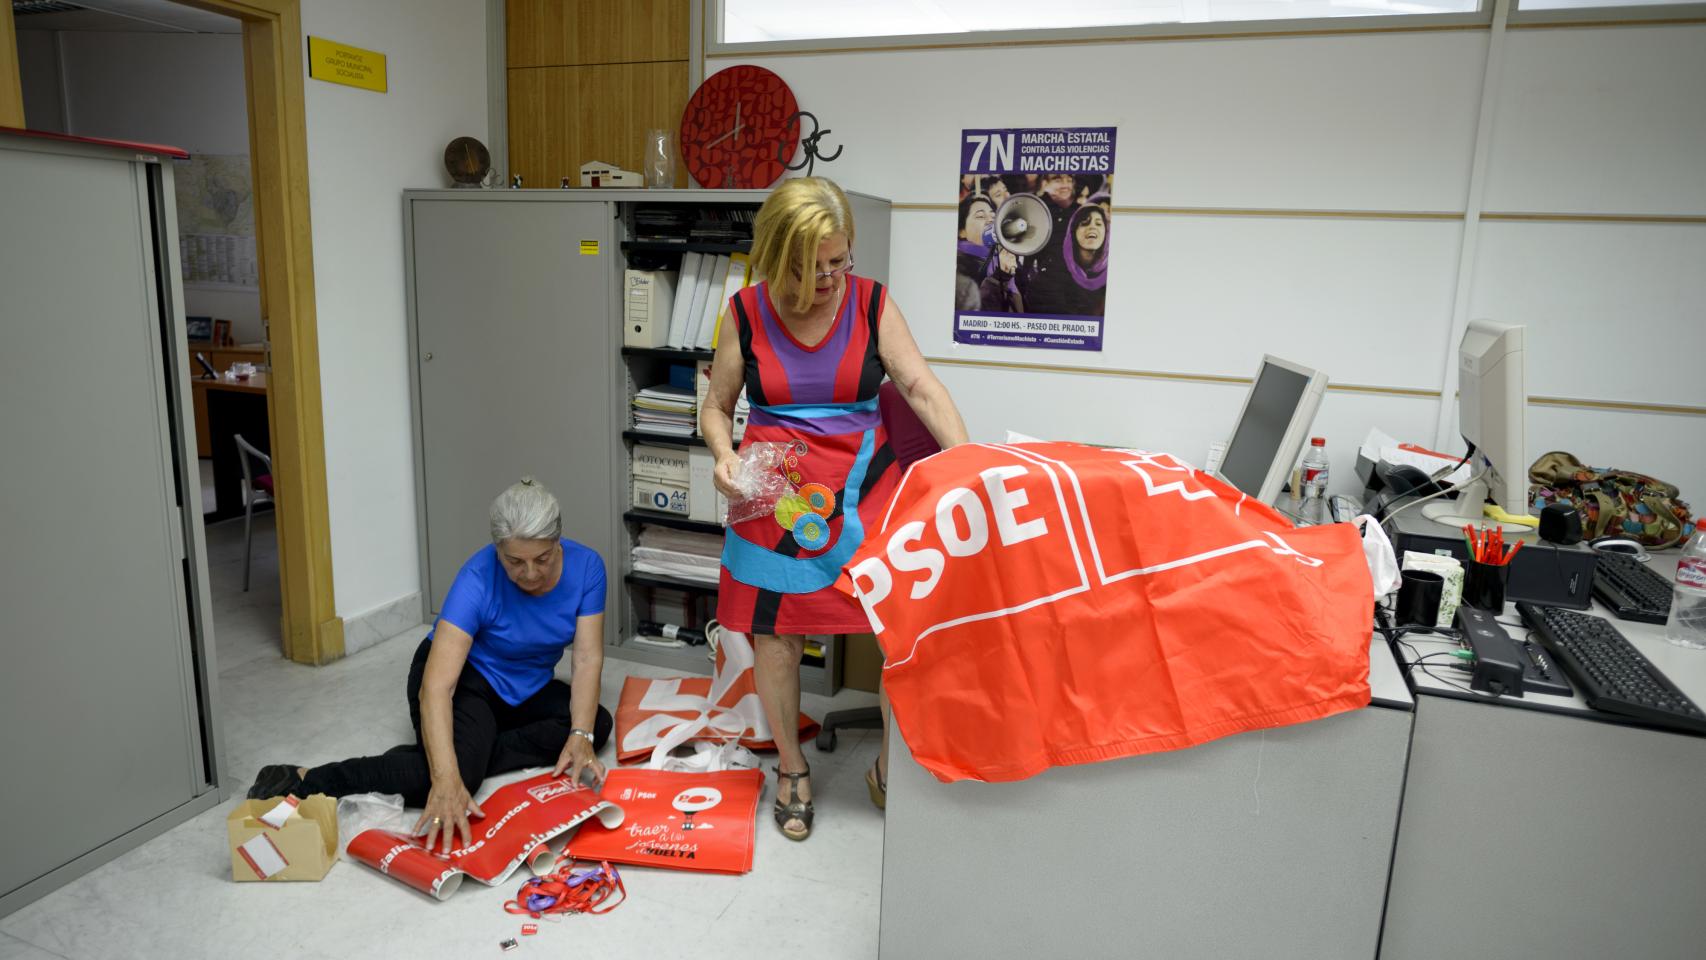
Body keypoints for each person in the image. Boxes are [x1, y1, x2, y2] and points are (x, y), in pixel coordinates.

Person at [700, 177, 968, 841]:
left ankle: (887, 766)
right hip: (773, 492)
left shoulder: (873, 303)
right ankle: (790, 769)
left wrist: (969, 465)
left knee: (897, 626)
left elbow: (920, 388)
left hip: (863, 486)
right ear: (775, 256)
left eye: (837, 262)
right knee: (776, 632)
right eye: (809, 265)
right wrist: (723, 454)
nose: (827, 278)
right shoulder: (745, 312)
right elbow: (715, 406)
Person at [247, 478, 614, 854]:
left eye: (542, 559)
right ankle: (305, 779)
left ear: (558, 542)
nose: (531, 573)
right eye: (515, 562)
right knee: (458, 779)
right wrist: (446, 775)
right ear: (497, 550)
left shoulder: (587, 568)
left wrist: (580, 734)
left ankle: (453, 750)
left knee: (593, 726)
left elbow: (586, 658)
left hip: (525, 684)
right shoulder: (477, 577)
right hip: (466, 679)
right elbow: (437, 687)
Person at [1019, 202, 1109, 317]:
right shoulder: (1052, 273)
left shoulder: (1114, 273)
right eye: (1084, 223)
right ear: (1073, 231)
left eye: (1099, 224)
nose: (1092, 227)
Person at [955, 194, 996, 312]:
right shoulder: (961, 268)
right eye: (980, 216)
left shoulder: (998, 259)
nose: (990, 221)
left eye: (993, 217)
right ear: (962, 231)